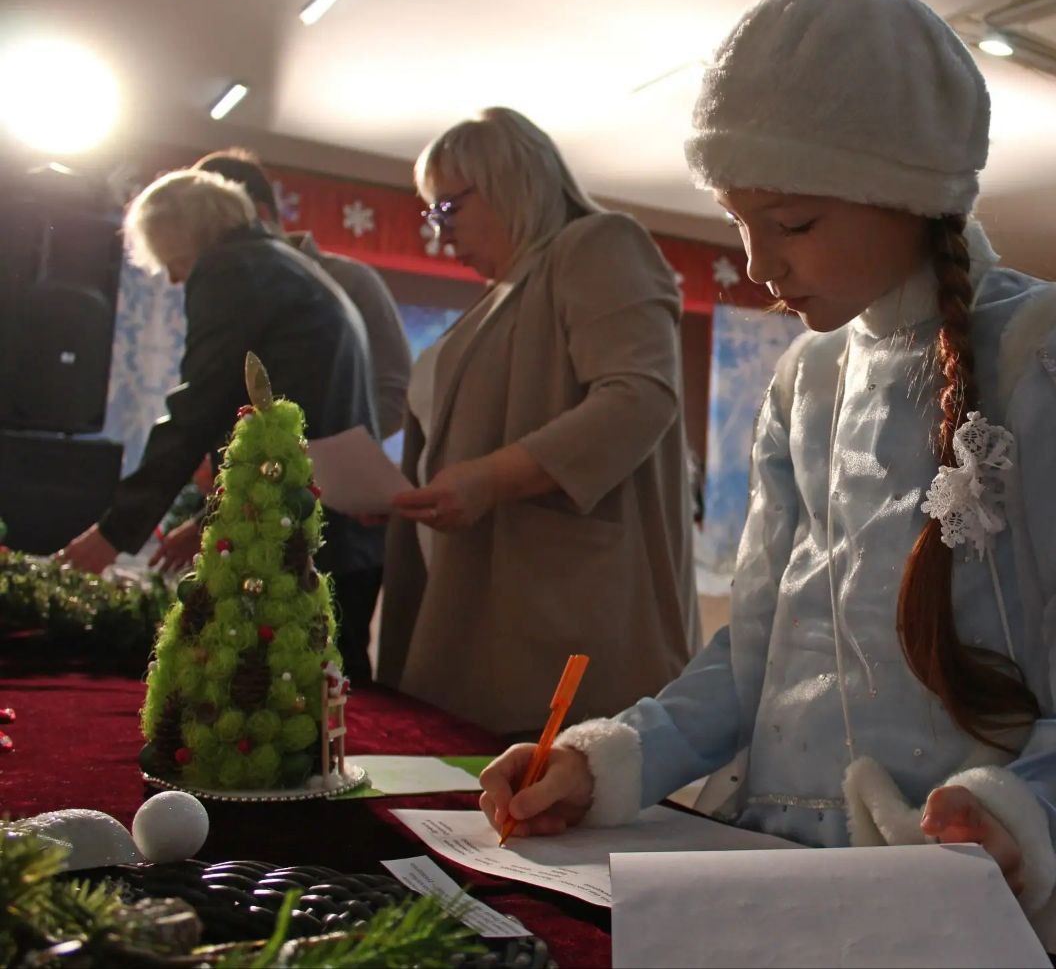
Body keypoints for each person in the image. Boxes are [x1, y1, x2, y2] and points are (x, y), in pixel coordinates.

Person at [475, 0, 1056, 966]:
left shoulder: (1049, 349)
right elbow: (754, 654)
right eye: (738, 222)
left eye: (790, 221)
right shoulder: (805, 381)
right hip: (775, 866)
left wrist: (1025, 805)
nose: (755, 265)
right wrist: (609, 757)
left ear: (909, 192)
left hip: (952, 886)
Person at [378, 107, 700, 737]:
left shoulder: (600, 243)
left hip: (558, 615)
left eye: (447, 209)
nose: (439, 234)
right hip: (482, 601)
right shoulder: (503, 295)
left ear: (506, 181)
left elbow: (638, 397)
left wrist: (486, 480)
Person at [58, 169, 385, 683]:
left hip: (298, 538)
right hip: (341, 533)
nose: (172, 279)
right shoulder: (285, 267)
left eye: (172, 260)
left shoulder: (233, 268)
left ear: (187, 234)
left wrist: (111, 534)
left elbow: (198, 407)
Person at [193, 148, 411, 441]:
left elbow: (395, 395)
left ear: (260, 216)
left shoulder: (350, 281)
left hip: (330, 478)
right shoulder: (228, 296)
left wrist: (312, 452)